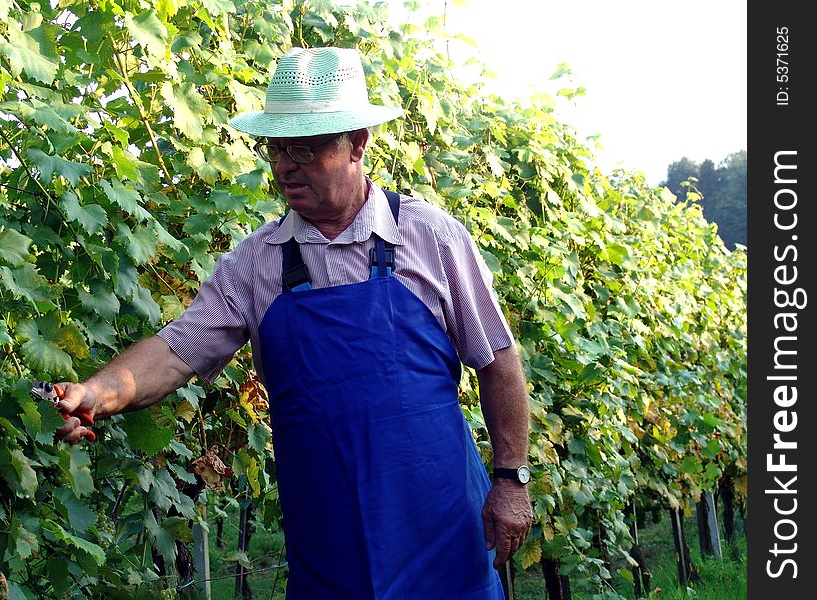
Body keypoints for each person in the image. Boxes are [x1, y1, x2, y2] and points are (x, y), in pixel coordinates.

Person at [57, 46, 533, 599]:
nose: (285, 165)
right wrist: (96, 392)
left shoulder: (431, 238)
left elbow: (498, 363)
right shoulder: (255, 264)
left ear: (357, 144)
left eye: (304, 150)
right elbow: (172, 353)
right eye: (277, 149)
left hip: (441, 534)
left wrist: (510, 480)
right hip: (328, 547)